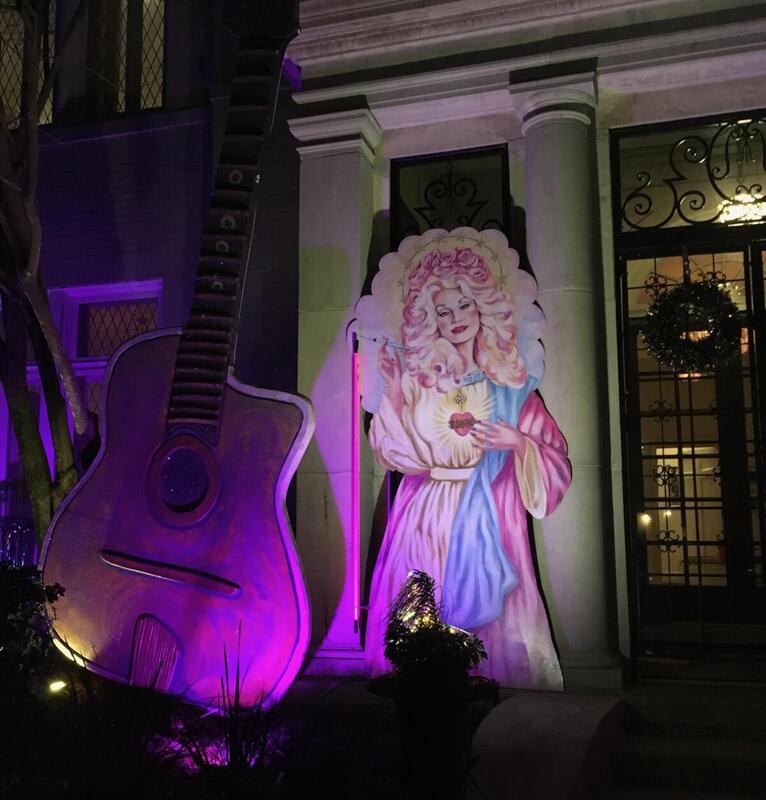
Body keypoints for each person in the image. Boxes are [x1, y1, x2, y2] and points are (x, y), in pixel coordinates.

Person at [365, 244, 571, 690]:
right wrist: (397, 389)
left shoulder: (513, 389)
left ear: (484, 307)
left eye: (465, 304)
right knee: (420, 611)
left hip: (490, 518)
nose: (456, 318)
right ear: (428, 319)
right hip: (422, 519)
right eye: (442, 311)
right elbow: (396, 451)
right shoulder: (421, 382)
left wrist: (517, 442)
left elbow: (554, 457)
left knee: (492, 632)